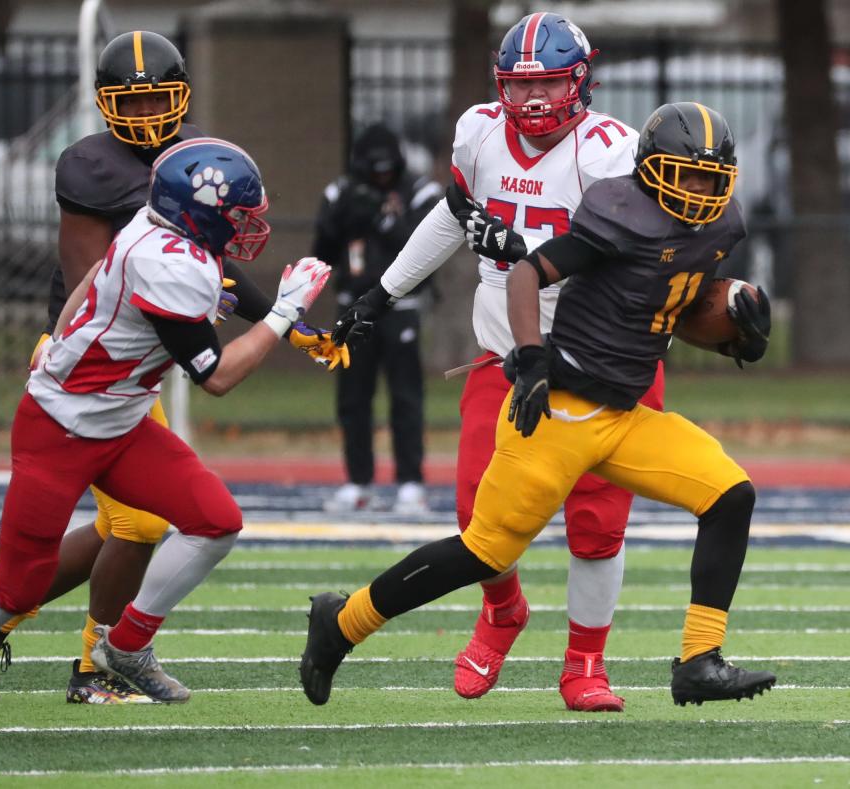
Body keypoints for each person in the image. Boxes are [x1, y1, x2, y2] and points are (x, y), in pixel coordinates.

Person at [302, 101, 777, 710]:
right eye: (687, 175)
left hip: (625, 417)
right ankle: (341, 624)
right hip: (561, 409)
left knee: (730, 493)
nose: (699, 191)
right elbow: (526, 273)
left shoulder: (721, 226)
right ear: (653, 169)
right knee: (484, 551)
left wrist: (730, 329)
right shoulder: (619, 213)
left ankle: (699, 661)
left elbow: (663, 302)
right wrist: (528, 359)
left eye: (711, 178)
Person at [0, 137, 333, 745]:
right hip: (61, 430)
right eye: (239, 214)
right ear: (201, 213)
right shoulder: (170, 264)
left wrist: (62, 330)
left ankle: (125, 646)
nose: (249, 226)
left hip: (120, 421)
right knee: (18, 584)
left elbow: (98, 274)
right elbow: (219, 377)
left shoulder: (157, 231)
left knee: (216, 520)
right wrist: (284, 313)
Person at [0, 30, 346, 706]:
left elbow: (219, 264)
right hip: (89, 359)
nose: (144, 117)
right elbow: (92, 280)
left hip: (146, 356)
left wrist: (292, 330)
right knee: (139, 525)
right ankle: (92, 664)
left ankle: (7, 625)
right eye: (130, 105)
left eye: (156, 102)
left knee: (123, 526)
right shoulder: (88, 166)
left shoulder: (194, 156)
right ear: (105, 104)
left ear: (182, 98)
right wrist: (249, 322)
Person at [331, 12, 663, 710]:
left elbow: (633, 264)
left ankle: (586, 663)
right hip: (509, 352)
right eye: (521, 84)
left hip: (604, 353)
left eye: (548, 82)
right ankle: (503, 611)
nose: (535, 99)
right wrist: (382, 292)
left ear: (581, 80)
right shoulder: (479, 132)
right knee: (479, 509)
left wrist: (523, 254)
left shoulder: (611, 153)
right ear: (500, 85)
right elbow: (455, 214)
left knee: (596, 520)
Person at [313, 123, 442, 514]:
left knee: (405, 396)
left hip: (400, 307)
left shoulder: (421, 192)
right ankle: (358, 481)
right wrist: (351, 215)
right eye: (375, 171)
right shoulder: (340, 192)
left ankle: (410, 482)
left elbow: (427, 245)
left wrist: (387, 222)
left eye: (388, 170)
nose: (382, 177)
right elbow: (323, 249)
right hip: (353, 306)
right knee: (353, 398)